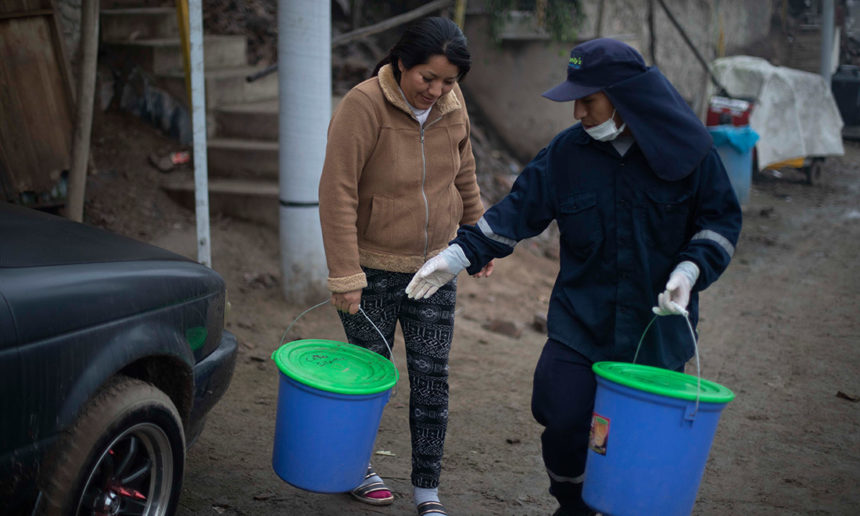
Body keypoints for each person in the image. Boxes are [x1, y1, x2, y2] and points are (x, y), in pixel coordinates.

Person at [405, 38, 742, 515]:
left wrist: (691, 269)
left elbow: (721, 224)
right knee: (561, 413)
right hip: (581, 324)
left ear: (626, 97)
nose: (579, 111)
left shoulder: (692, 155)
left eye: (589, 100)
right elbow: (516, 213)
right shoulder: (566, 155)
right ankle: (574, 504)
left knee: (635, 438)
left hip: (656, 332)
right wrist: (458, 255)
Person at [318, 16, 493, 516]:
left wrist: (478, 240)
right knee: (368, 378)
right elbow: (337, 193)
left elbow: (465, 173)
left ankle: (426, 490)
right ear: (401, 64)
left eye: (449, 82)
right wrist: (346, 275)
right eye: (427, 79)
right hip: (370, 270)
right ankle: (356, 470)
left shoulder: (451, 107)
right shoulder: (362, 106)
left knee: (432, 377)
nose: (436, 91)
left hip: (435, 269)